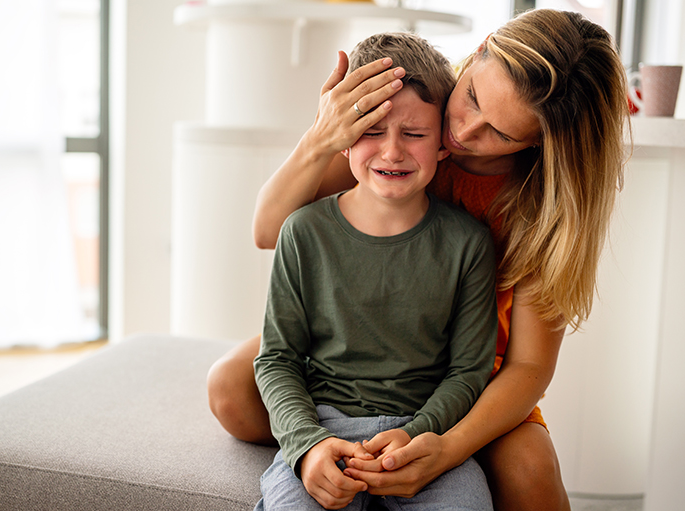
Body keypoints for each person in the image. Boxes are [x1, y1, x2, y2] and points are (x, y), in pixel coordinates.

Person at [208, 8, 630, 511]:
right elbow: (269, 230)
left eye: (500, 133)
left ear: (541, 142)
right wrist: (323, 136)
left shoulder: (542, 209)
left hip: (471, 369)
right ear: (479, 50)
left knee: (529, 469)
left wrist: (444, 448)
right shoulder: (405, 128)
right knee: (231, 388)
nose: (464, 131)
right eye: (472, 96)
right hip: (359, 331)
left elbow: (530, 366)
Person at [253, 32, 497, 511]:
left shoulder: (469, 243)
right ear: (341, 137)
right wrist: (306, 446)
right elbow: (276, 359)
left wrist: (416, 433)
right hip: (323, 428)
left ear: (444, 143)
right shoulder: (303, 231)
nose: (391, 152)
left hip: (424, 435)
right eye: (370, 131)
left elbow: (468, 371)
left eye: (414, 134)